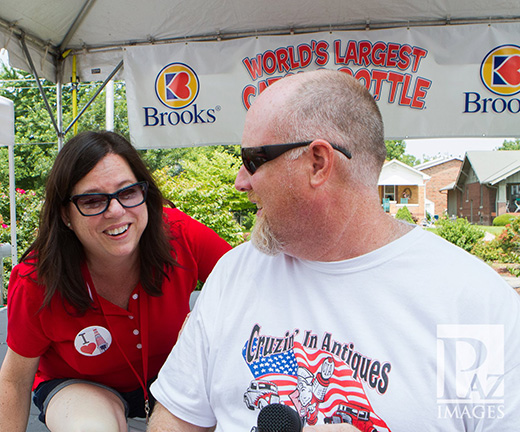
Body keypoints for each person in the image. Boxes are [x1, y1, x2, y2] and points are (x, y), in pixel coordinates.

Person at [148, 70, 520, 431]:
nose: (239, 181)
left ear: (317, 163)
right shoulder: (234, 273)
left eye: (252, 160)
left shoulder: (474, 305)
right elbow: (176, 418)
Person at [0, 131, 231, 431]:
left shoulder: (180, 234)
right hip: (82, 385)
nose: (116, 211)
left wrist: (204, 326)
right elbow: (15, 380)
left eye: (128, 192)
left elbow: (247, 286)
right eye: (93, 201)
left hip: (174, 376)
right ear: (65, 214)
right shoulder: (38, 278)